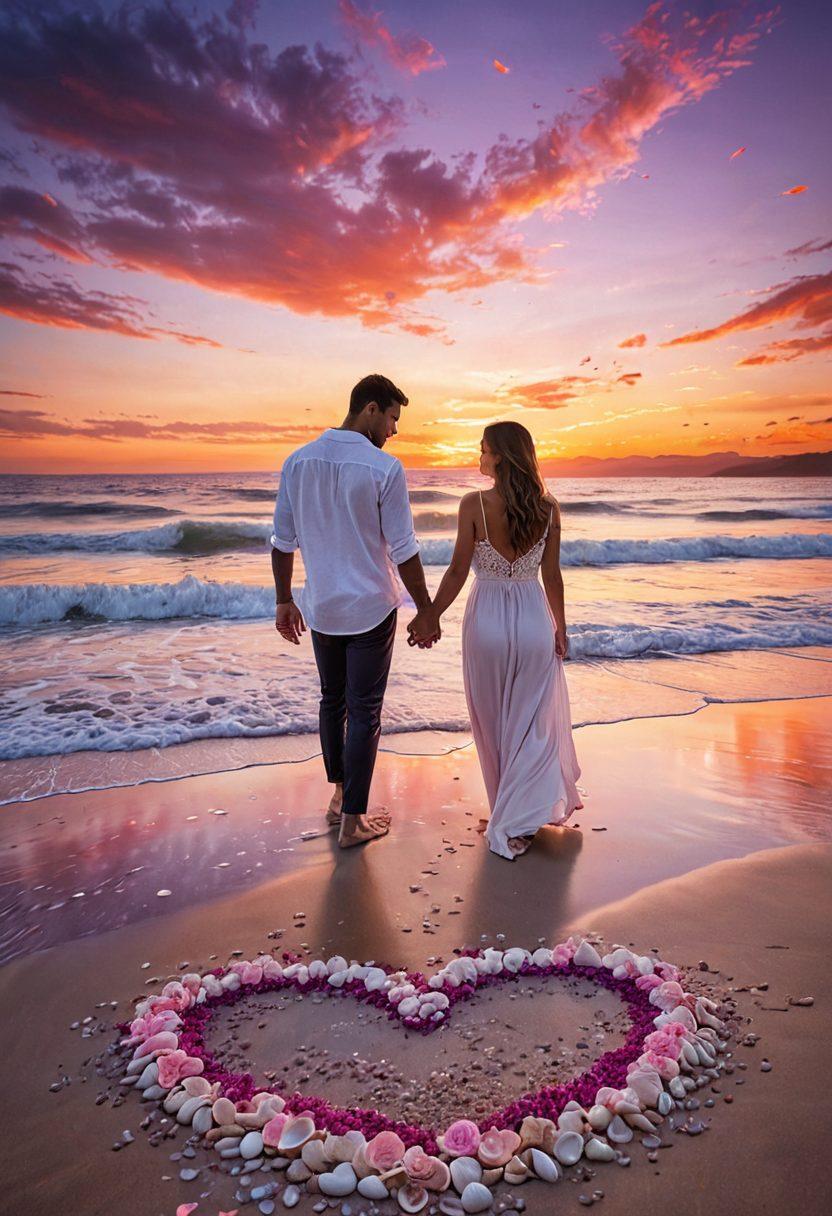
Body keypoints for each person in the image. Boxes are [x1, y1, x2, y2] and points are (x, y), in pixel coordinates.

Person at [271, 373, 439, 849]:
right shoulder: (384, 468)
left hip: (323, 607)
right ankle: (354, 821)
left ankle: (339, 798)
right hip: (369, 608)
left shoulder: (297, 462)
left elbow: (283, 542)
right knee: (364, 710)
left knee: (333, 701)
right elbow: (404, 549)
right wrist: (425, 609)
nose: (394, 430)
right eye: (391, 418)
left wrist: (284, 599)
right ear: (369, 409)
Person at [408, 421, 582, 859]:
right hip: (531, 620)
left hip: (485, 621)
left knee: (492, 722)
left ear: (501, 456)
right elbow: (552, 575)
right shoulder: (549, 508)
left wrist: (430, 615)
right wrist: (560, 626)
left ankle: (508, 814)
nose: (478, 456)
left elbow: (457, 571)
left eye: (483, 449)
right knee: (529, 724)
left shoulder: (474, 505)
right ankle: (513, 812)